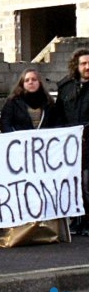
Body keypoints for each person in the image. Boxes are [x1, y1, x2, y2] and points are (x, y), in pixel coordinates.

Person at [54, 49, 89, 236]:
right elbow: (59, 114)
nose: (87, 67)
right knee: (73, 183)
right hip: (70, 144)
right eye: (83, 63)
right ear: (77, 65)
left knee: (86, 183)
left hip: (88, 142)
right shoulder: (65, 87)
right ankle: (76, 221)